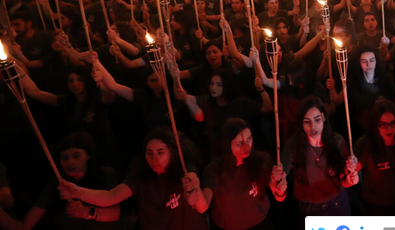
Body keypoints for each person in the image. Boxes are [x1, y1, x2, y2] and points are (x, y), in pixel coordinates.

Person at [57, 127, 208, 230]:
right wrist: (77, 191)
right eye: (149, 153)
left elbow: (200, 203)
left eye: (160, 152)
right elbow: (111, 197)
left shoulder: (184, 169)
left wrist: (194, 187)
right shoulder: (140, 175)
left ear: (172, 152)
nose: (154, 158)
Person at [0, 132, 121, 229]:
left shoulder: (104, 174)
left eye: (76, 155)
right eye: (64, 158)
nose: (70, 162)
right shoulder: (57, 184)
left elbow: (115, 213)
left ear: (89, 155)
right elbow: (23, 226)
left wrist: (87, 212)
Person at [182, 118, 287, 230]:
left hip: (261, 224)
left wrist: (279, 188)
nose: (247, 147)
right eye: (240, 143)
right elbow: (203, 207)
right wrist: (195, 188)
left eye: (249, 139)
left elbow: (279, 196)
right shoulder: (215, 169)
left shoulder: (262, 160)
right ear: (228, 145)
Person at [280, 96, 358, 221]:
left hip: (338, 205)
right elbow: (280, 182)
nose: (313, 126)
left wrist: (351, 179)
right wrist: (277, 184)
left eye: (317, 120)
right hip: (309, 210)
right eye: (307, 122)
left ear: (324, 118)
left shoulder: (337, 142)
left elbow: (344, 181)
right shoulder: (292, 146)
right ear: (301, 123)